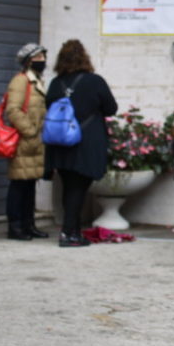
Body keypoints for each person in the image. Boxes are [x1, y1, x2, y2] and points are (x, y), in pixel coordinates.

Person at [45, 40, 118, 248]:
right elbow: (111, 108)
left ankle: (74, 231)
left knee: (69, 186)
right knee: (78, 187)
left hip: (59, 142)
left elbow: (48, 106)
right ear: (85, 57)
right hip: (85, 141)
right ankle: (69, 234)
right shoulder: (94, 81)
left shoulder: (55, 83)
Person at [4, 43, 49, 241]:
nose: (43, 61)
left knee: (30, 184)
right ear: (28, 60)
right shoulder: (20, 81)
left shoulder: (37, 81)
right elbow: (13, 110)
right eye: (38, 57)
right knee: (18, 184)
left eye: (43, 56)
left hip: (36, 142)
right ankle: (15, 227)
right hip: (24, 141)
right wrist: (30, 131)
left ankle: (29, 225)